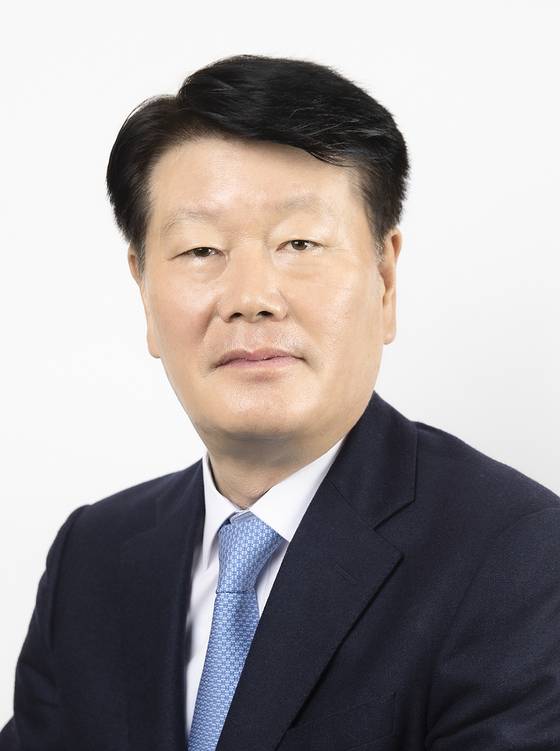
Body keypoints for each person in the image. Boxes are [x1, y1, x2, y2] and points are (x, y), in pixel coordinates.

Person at [1, 53, 559, 751]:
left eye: (299, 243)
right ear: (143, 290)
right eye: (200, 250)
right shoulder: (95, 554)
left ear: (385, 280)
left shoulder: (519, 557)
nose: (250, 298)